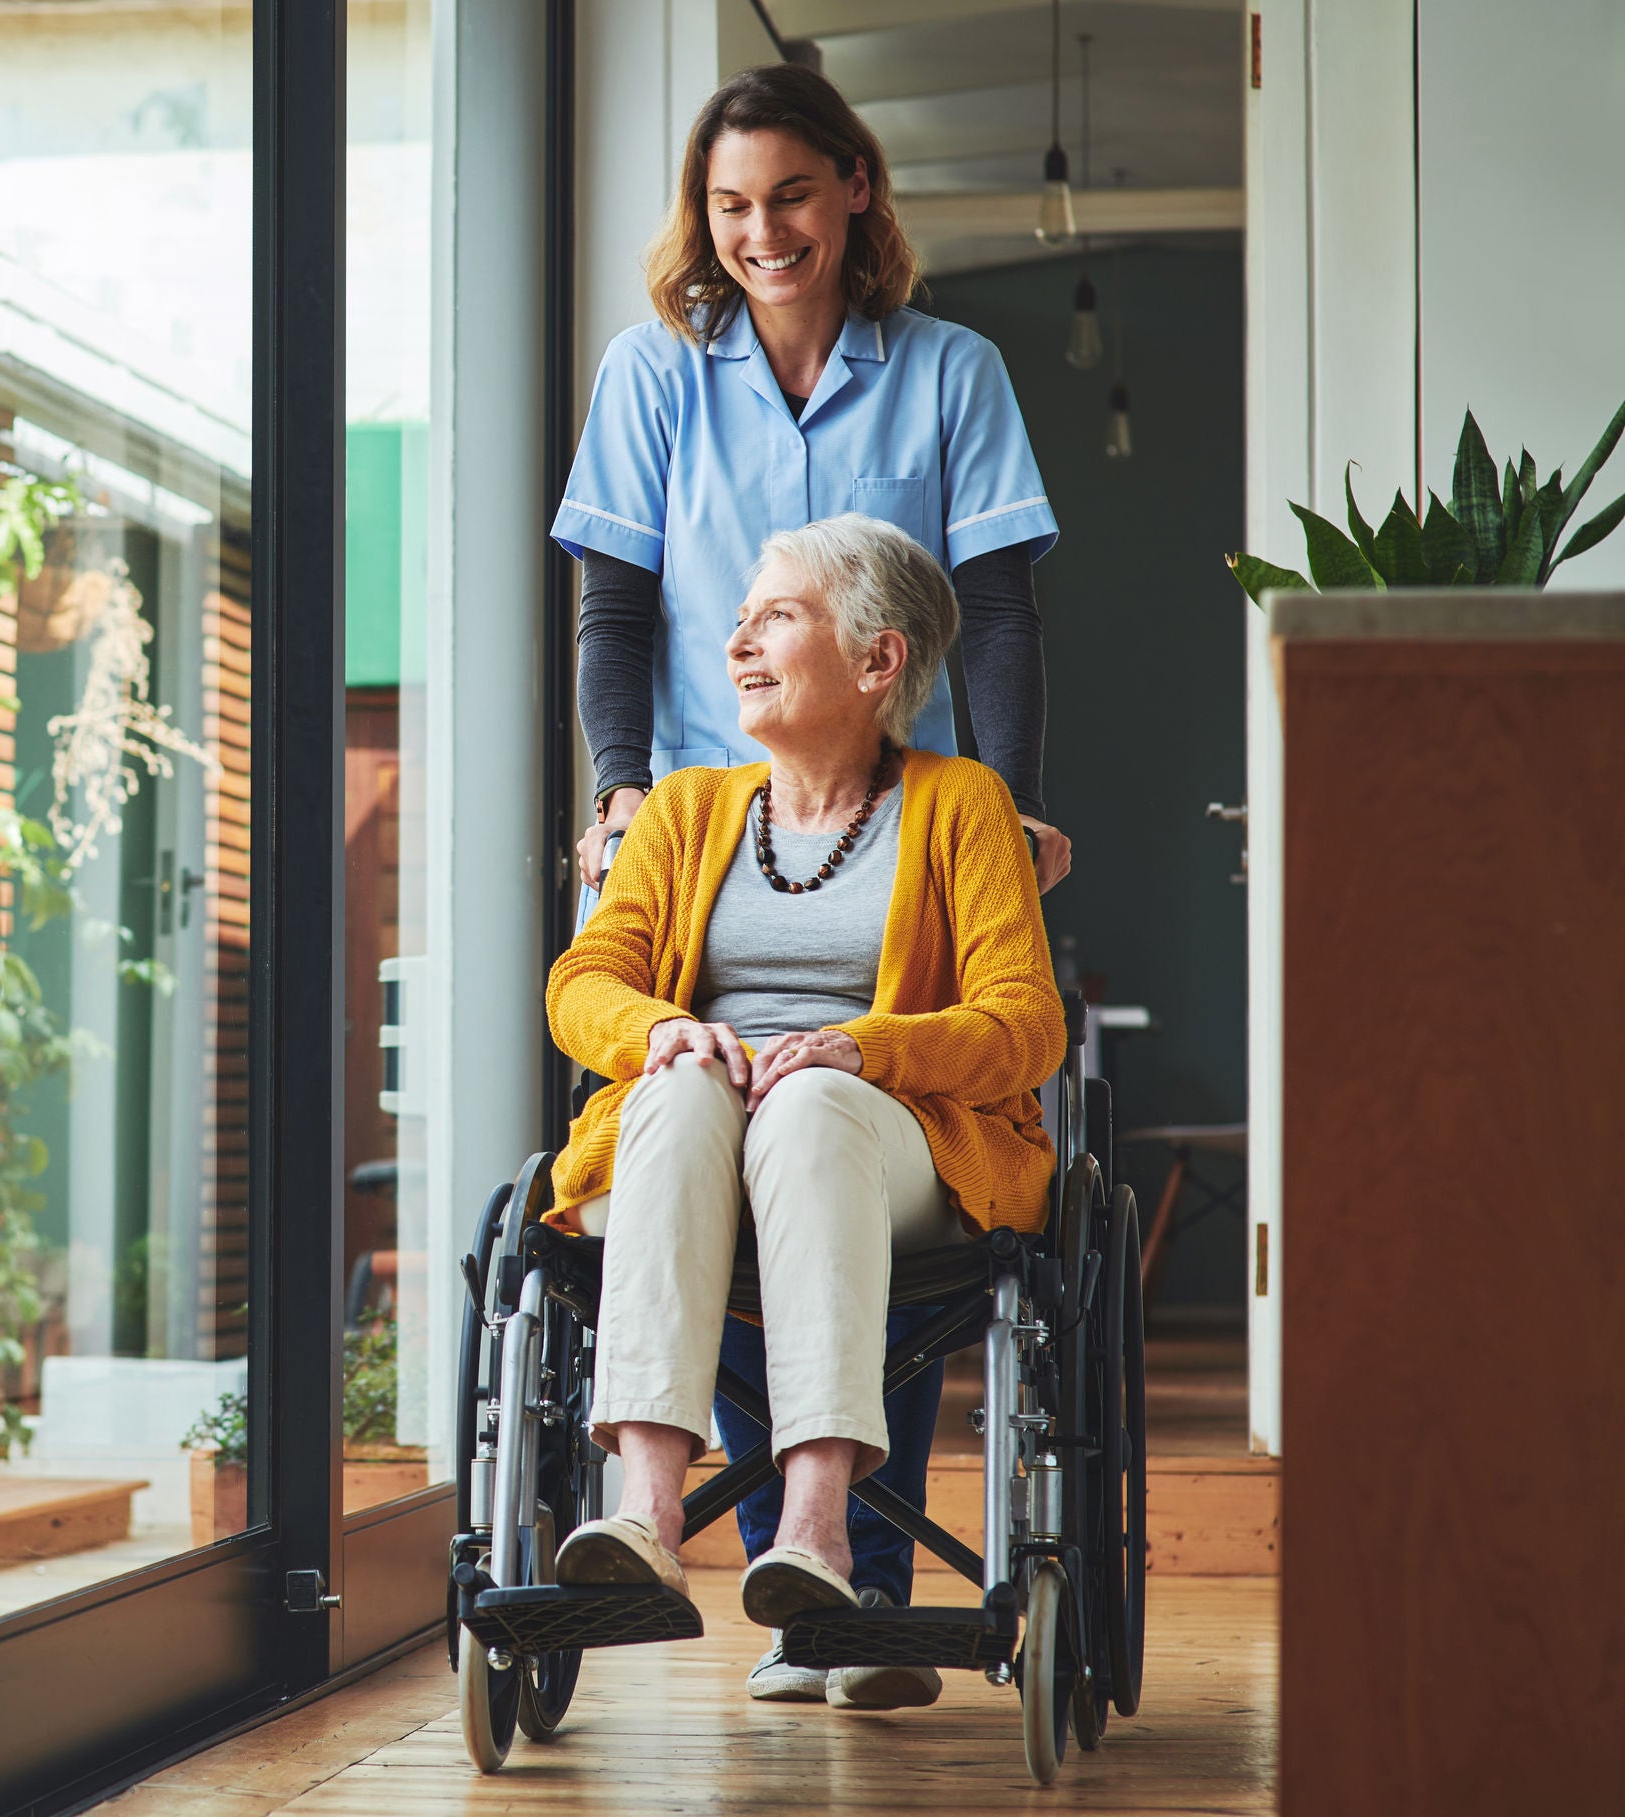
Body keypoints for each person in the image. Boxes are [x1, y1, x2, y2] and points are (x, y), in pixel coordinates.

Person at [551, 62, 1067, 1707]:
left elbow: (994, 607)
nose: (759, 230)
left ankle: (850, 1571)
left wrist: (1003, 803)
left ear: (854, 191)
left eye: (788, 194)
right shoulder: (656, 374)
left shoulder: (949, 373)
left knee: (832, 1114)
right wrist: (625, 797)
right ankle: (705, 1530)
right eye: (728, 204)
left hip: (894, 812)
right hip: (722, 813)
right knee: (696, 1107)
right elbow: (614, 611)